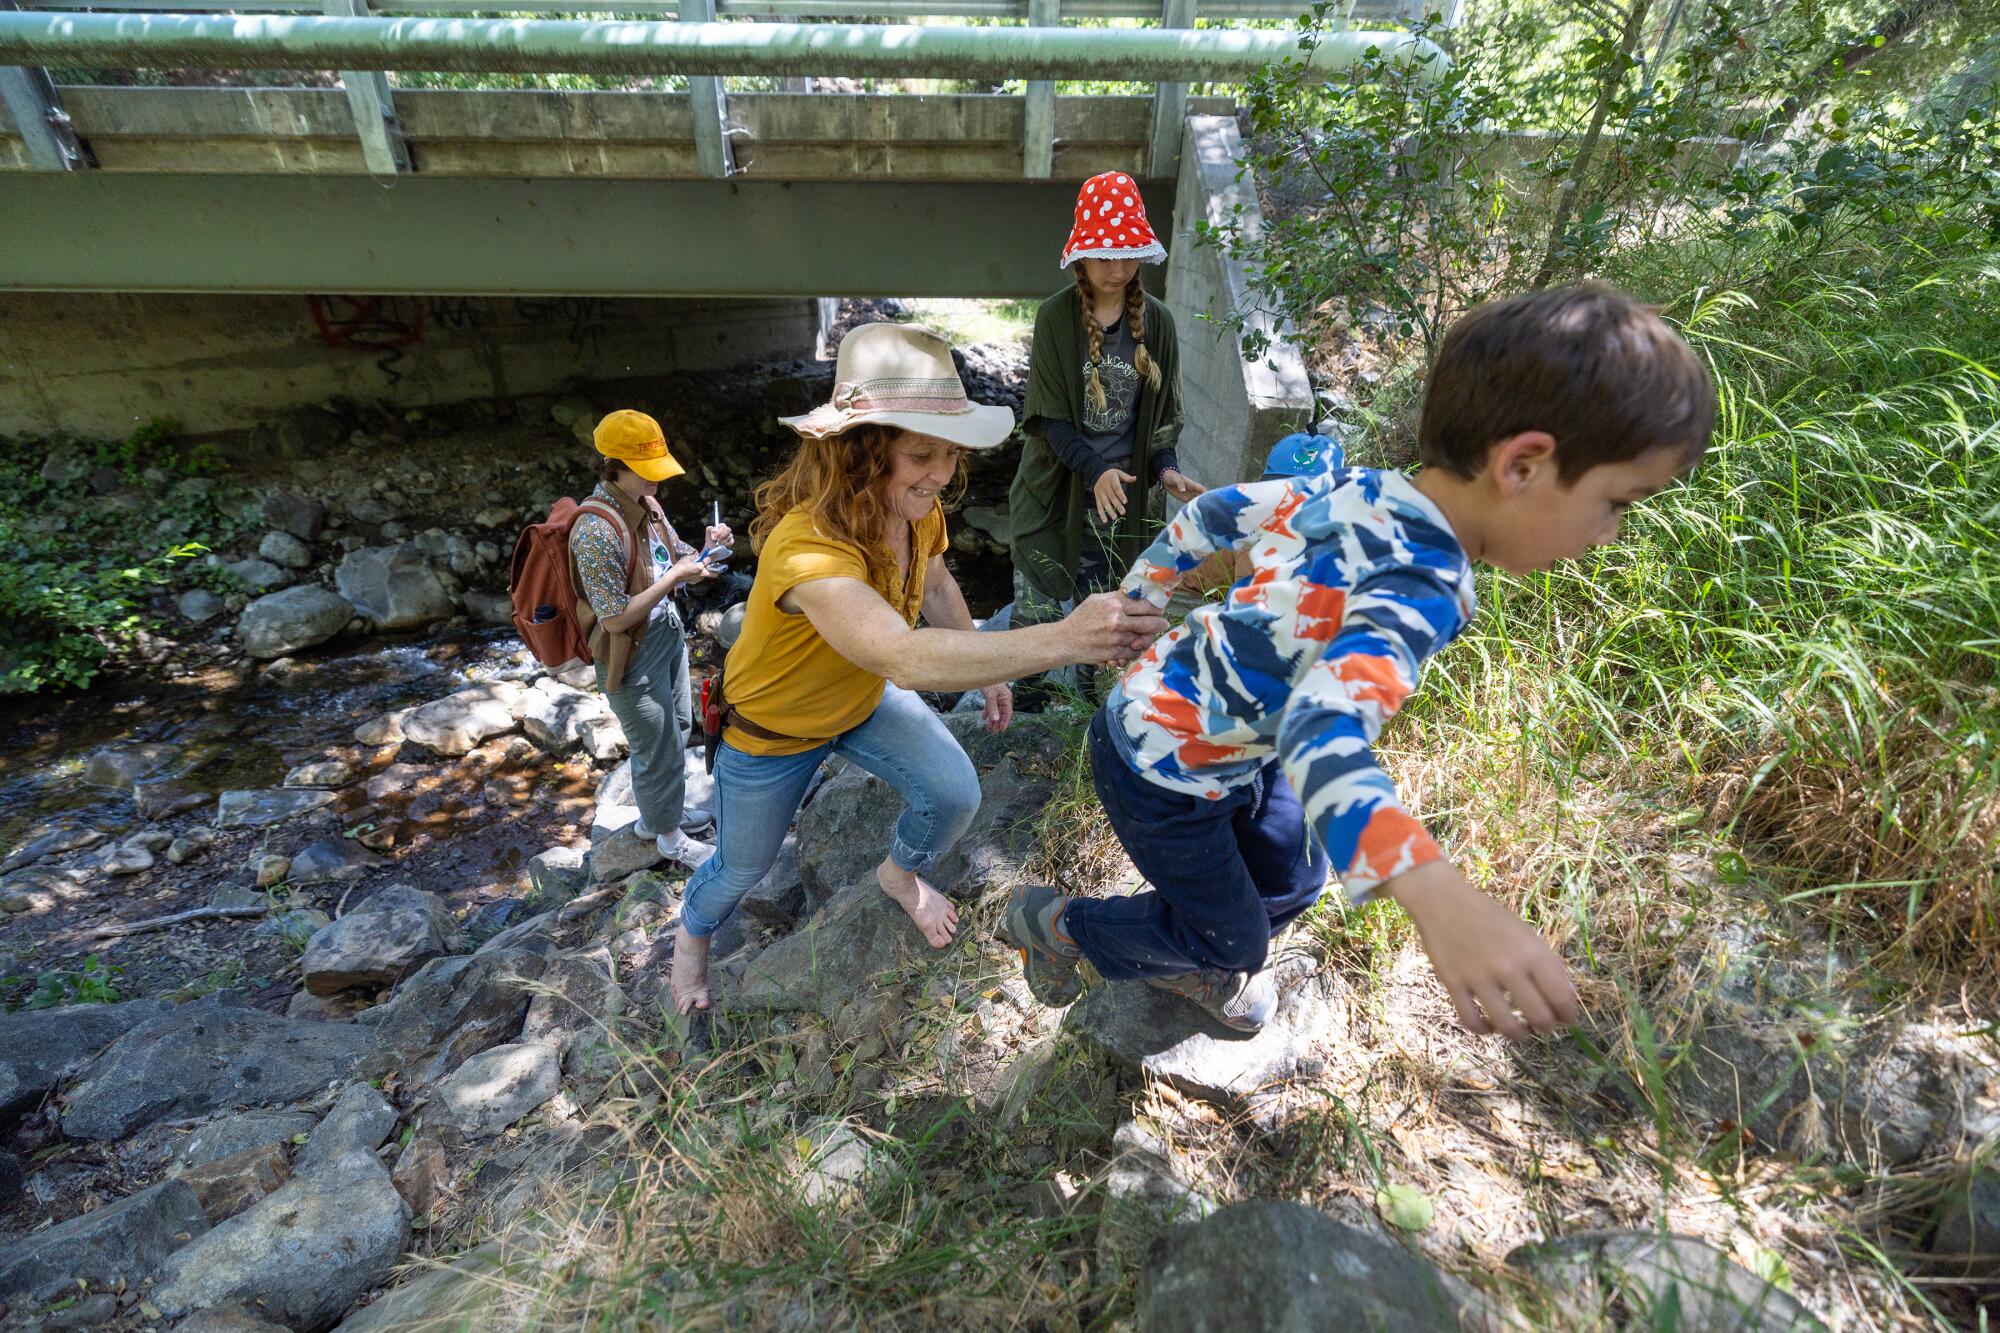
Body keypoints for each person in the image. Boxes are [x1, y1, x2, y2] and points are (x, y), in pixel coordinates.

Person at [1004, 284, 1717, 1039]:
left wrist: (1145, 594)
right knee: (1239, 940)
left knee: (1299, 877)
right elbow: (1321, 726)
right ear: (1524, 465)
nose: (1608, 534)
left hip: (1237, 746)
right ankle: (1064, 925)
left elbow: (1214, 515)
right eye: (1619, 502)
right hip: (1159, 767)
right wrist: (1438, 893)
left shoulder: (1363, 487)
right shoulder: (1426, 586)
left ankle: (1201, 940)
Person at [670, 322, 1168, 1015]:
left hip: (861, 702)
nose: (940, 473)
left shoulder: (916, 511)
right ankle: (690, 939)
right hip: (771, 732)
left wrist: (989, 670)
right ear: (861, 454)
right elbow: (900, 654)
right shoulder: (803, 546)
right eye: (920, 454)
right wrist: (1065, 638)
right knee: (741, 870)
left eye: (948, 453)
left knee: (955, 794)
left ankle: (899, 875)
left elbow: (934, 588)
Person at [1008, 171, 1206, 660]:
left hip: (1124, 505)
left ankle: (1091, 720)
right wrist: (1095, 472)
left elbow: (1160, 420)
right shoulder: (1056, 318)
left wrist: (1168, 471)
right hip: (1057, 493)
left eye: (1127, 256)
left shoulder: (1157, 322)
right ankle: (1025, 719)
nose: (1116, 270)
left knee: (1109, 630)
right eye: (1103, 257)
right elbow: (1050, 419)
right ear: (1081, 257)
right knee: (1038, 618)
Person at [569, 409, 731, 870]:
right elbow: (615, 617)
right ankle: (668, 839)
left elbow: (681, 558)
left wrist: (710, 550)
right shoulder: (596, 530)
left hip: (666, 636)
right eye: (648, 469)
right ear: (614, 466)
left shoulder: (648, 505)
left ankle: (660, 816)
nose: (658, 479)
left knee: (679, 728)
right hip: (629, 653)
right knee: (653, 744)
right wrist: (674, 578)